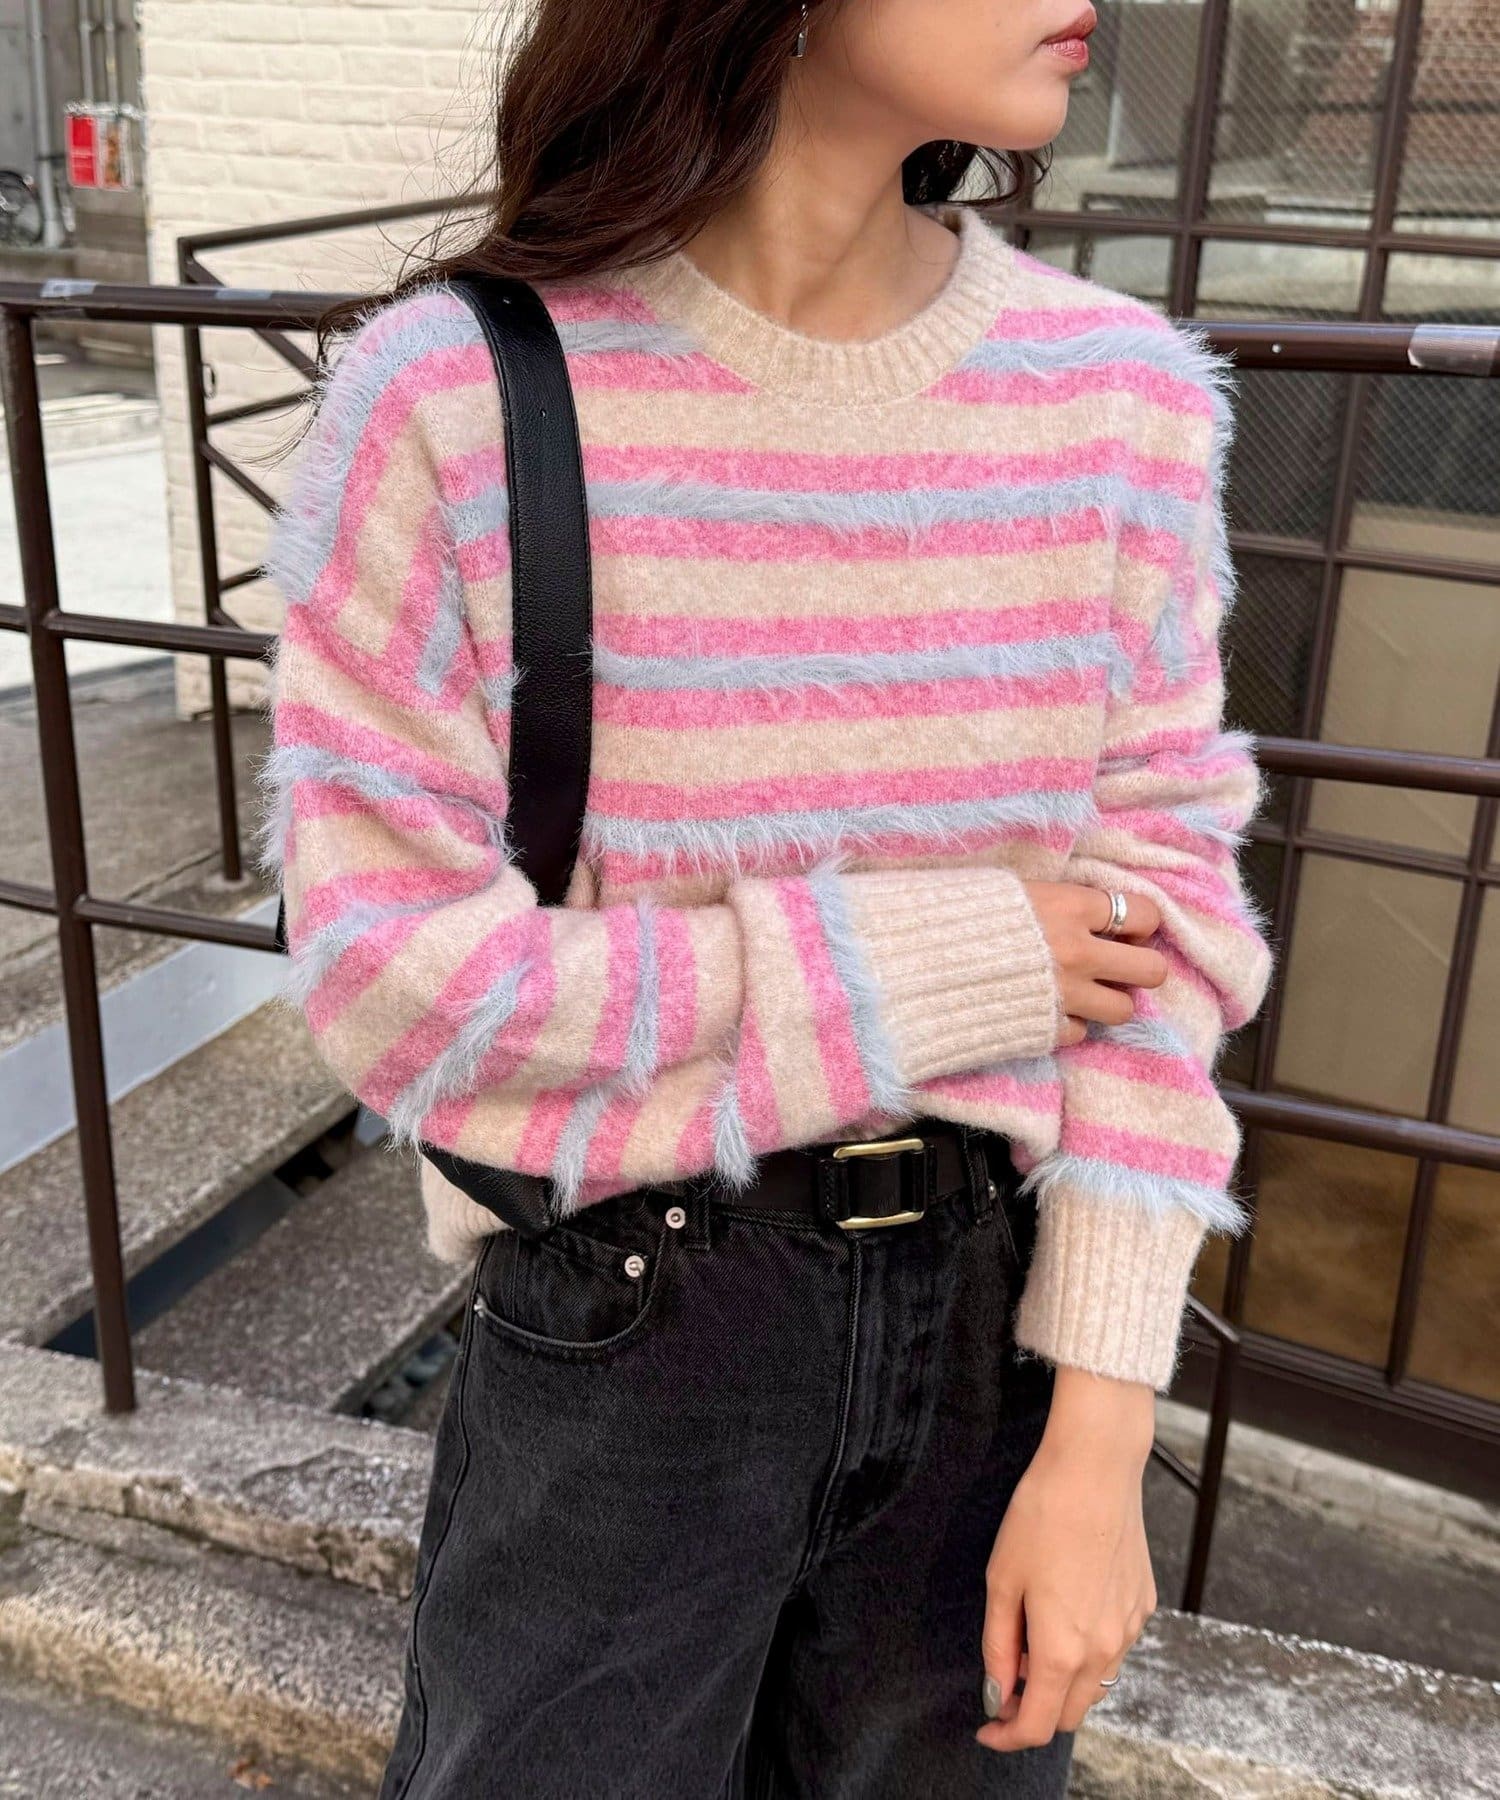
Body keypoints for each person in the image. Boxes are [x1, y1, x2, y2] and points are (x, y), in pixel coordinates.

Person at [261, 1, 1274, 1794]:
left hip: (999, 1329)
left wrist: (1105, 1419)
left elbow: (1167, 924)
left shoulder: (1115, 394)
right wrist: (954, 959)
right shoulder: (461, 396)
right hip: (630, 1313)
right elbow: (395, 980)